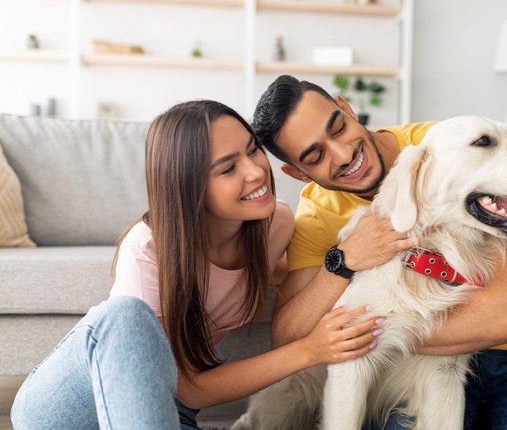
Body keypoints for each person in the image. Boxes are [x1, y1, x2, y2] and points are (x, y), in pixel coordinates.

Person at [11, 99, 386, 430]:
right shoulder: (147, 248)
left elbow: (301, 283)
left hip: (170, 414)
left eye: (253, 151)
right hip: (75, 408)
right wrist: (309, 350)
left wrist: (350, 257)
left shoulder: (275, 225)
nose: (256, 172)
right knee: (124, 316)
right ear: (189, 186)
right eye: (227, 169)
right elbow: (187, 386)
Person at [252, 75, 507, 429]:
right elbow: (290, 338)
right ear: (298, 173)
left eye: (337, 127)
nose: (343, 153)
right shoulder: (316, 212)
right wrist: (344, 260)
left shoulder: (447, 143)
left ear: (346, 108)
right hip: (413, 364)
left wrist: (367, 335)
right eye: (315, 155)